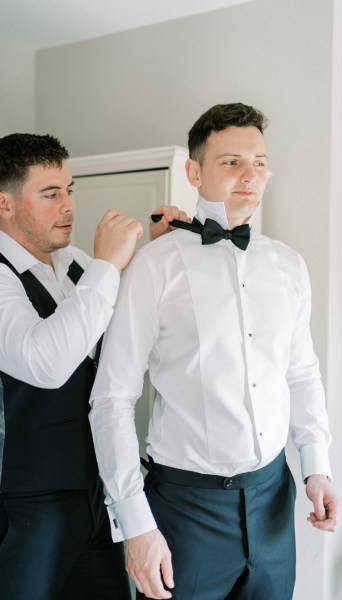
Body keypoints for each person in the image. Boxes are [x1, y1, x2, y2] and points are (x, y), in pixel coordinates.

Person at [89, 103, 341, 600]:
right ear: (193, 171)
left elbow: (301, 375)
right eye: (231, 162)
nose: (250, 176)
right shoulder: (152, 268)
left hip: (273, 497)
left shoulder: (288, 267)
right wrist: (136, 525)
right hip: (185, 509)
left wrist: (318, 466)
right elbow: (111, 400)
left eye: (260, 162)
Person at [0, 132, 184, 600]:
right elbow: (46, 363)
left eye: (70, 190)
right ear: (4, 204)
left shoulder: (78, 263)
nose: (69, 206)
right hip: (22, 512)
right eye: (50, 194)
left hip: (95, 499)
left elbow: (127, 312)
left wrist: (157, 251)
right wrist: (107, 265)